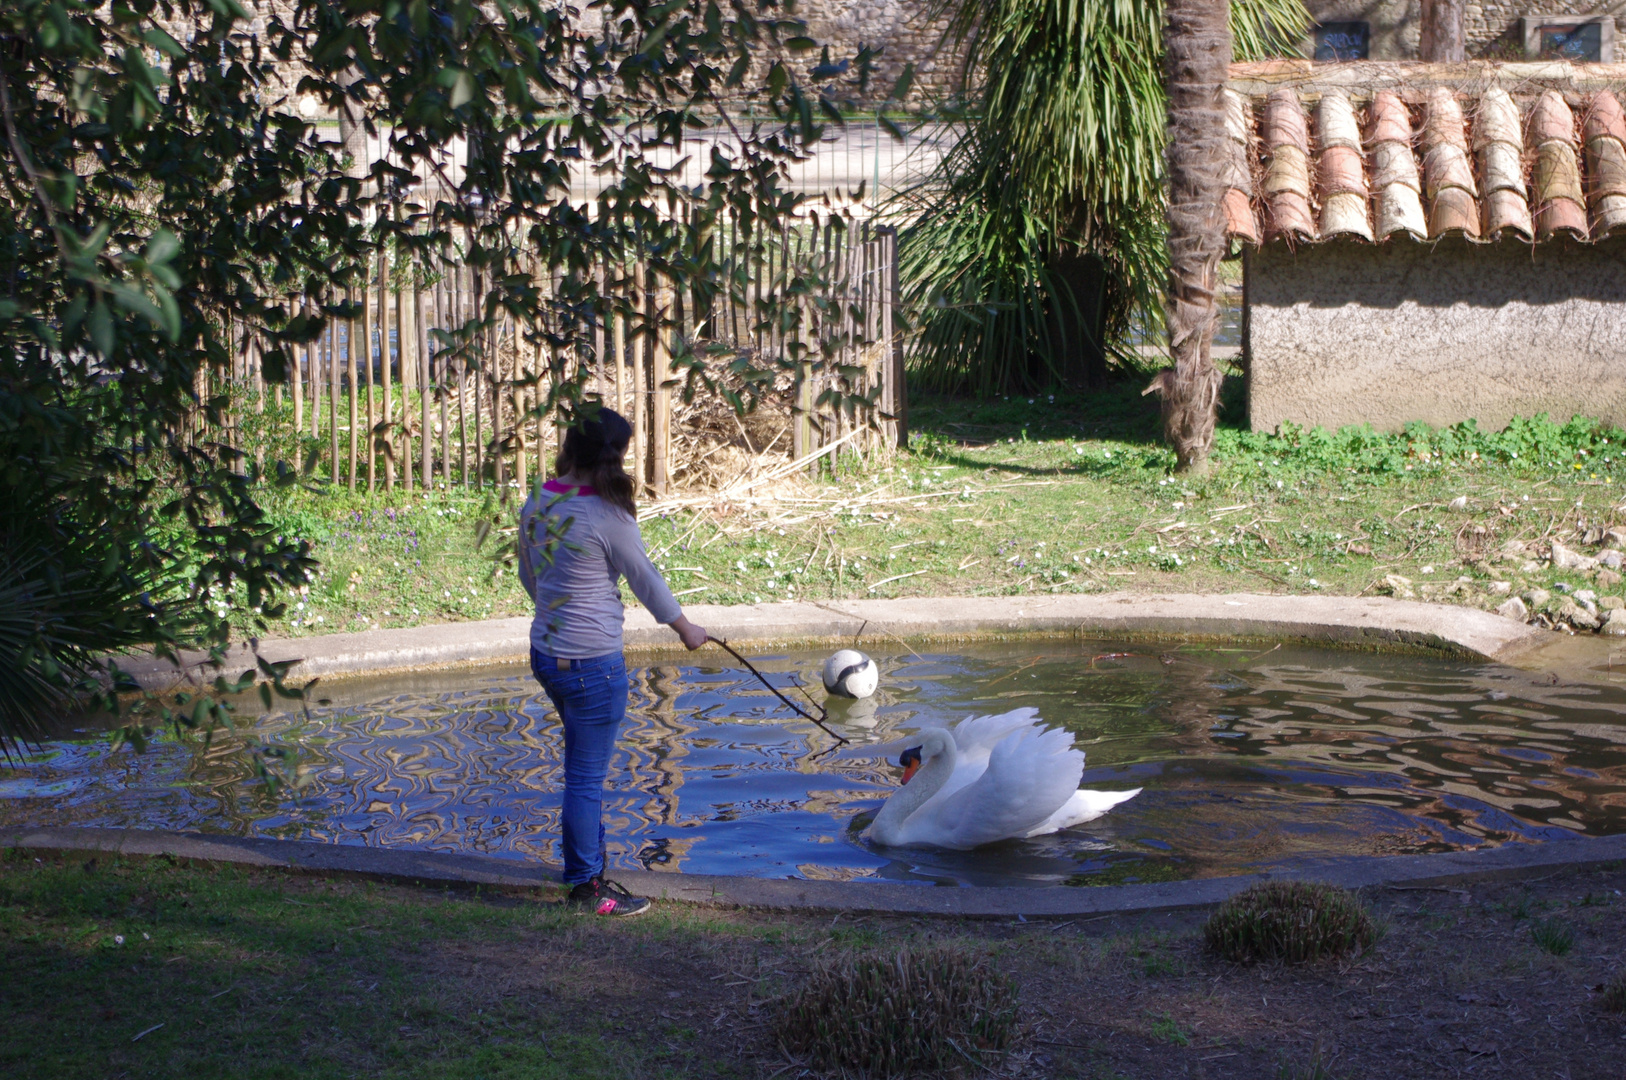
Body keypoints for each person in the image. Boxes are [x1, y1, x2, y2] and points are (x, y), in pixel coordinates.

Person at [516, 407, 708, 916]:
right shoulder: (607, 514)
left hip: (546, 653)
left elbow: (528, 575)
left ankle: (588, 867)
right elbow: (645, 579)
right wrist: (686, 629)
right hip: (592, 663)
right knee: (584, 779)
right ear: (615, 456)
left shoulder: (539, 499)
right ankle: (587, 887)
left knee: (581, 769)